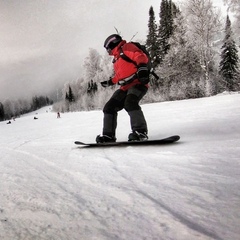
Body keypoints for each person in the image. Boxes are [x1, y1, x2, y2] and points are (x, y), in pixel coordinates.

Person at [96, 34, 150, 143]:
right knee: (109, 107)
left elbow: (140, 56)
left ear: (112, 43)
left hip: (138, 83)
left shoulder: (126, 47)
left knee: (130, 103)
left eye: (107, 48)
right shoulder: (117, 59)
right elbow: (120, 76)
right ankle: (108, 136)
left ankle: (140, 132)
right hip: (125, 87)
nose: (107, 51)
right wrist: (110, 82)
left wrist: (143, 68)